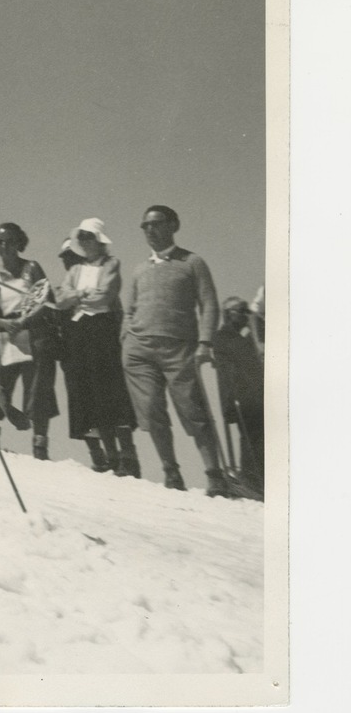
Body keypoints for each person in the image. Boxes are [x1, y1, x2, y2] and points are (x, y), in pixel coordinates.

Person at [121, 205, 229, 497]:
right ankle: (171, 473)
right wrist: (126, 338)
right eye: (145, 226)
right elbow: (129, 309)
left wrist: (205, 342)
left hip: (179, 348)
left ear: (173, 226)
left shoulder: (193, 262)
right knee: (151, 410)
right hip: (139, 351)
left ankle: (214, 475)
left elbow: (209, 303)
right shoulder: (139, 269)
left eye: (156, 224)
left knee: (194, 411)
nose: (150, 230)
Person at [55, 218, 142, 478]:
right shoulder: (76, 269)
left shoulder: (111, 263)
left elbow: (106, 294)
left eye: (88, 236)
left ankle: (127, 454)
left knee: (111, 391)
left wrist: (76, 296)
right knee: (92, 393)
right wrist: (84, 295)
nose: (84, 241)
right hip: (81, 332)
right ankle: (111, 456)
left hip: (103, 330)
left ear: (98, 240)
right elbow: (61, 299)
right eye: (81, 237)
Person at [0, 223, 60, 459]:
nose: (5, 247)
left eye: (9, 241)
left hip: (35, 334)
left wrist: (26, 319)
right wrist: (5, 324)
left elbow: (47, 300)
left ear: (19, 242)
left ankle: (40, 446)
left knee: (38, 391)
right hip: (8, 337)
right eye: (0, 242)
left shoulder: (31, 267)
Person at [212, 296, 264, 497]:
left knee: (257, 436)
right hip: (244, 396)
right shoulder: (225, 338)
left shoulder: (241, 338)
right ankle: (252, 482)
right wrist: (228, 404)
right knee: (253, 436)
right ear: (228, 314)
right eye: (240, 311)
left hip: (252, 395)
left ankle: (256, 481)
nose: (245, 315)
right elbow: (227, 373)